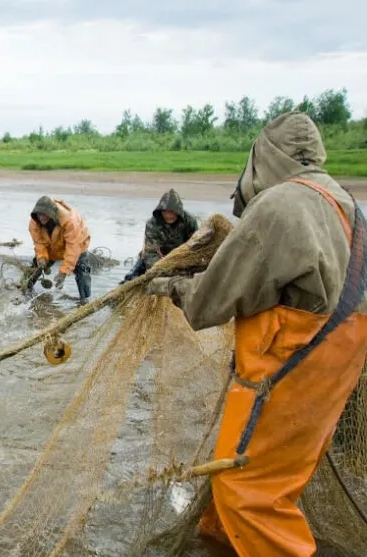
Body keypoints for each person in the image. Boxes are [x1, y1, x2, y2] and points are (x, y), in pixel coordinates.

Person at [146, 111, 367, 557]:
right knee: (264, 477)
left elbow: (208, 304)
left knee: (246, 490)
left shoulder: (277, 204)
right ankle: (222, 544)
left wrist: (169, 285)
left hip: (290, 368)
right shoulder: (343, 201)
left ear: (263, 155)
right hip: (337, 365)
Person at [121, 188, 199, 283]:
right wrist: (164, 268)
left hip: (182, 256)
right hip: (159, 257)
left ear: (178, 211)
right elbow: (150, 253)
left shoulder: (189, 221)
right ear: (160, 210)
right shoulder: (152, 223)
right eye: (165, 211)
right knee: (131, 277)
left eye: (172, 211)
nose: (168, 215)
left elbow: (196, 244)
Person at [28, 196, 92, 304]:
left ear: (52, 213)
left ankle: (85, 300)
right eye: (39, 214)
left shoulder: (70, 221)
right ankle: (25, 289)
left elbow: (73, 248)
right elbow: (39, 243)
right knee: (35, 267)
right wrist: (41, 257)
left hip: (77, 244)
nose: (41, 217)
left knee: (82, 270)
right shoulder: (34, 223)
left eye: (44, 214)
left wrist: (63, 272)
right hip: (52, 245)